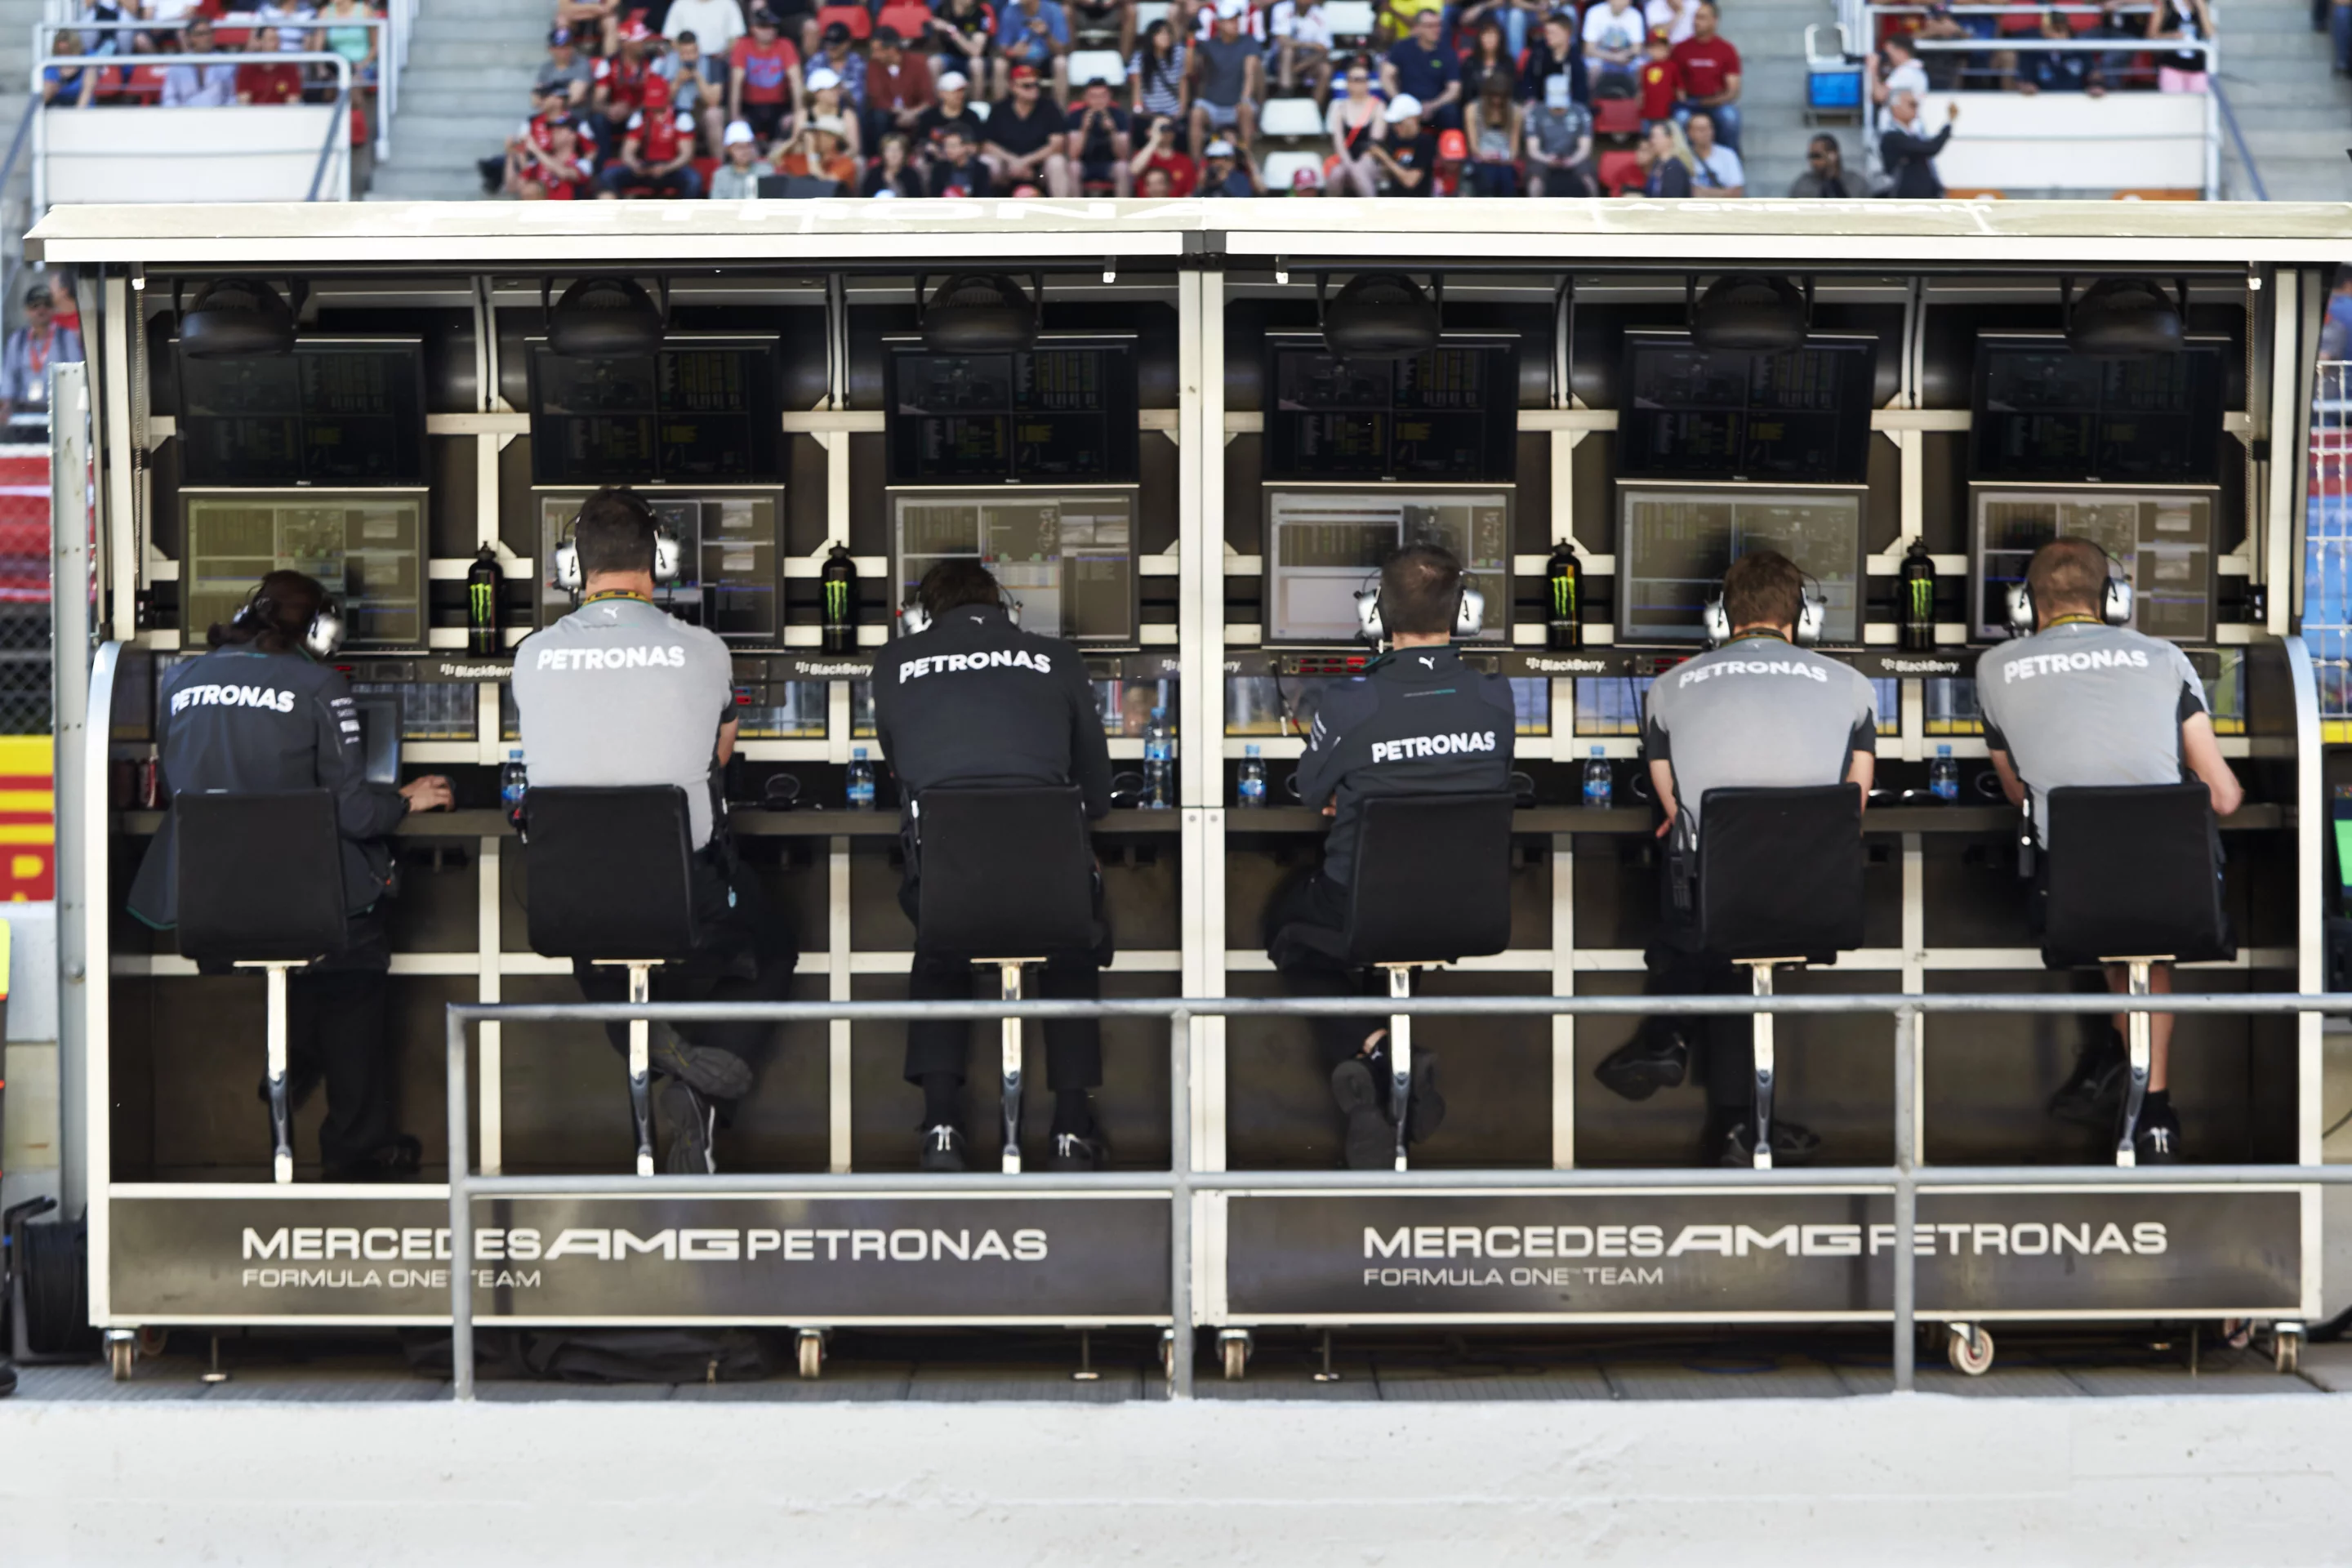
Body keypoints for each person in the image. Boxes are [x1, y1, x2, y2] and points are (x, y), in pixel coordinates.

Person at [127, 571, 455, 1182]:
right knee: (353, 958)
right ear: (318, 630)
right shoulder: (319, 685)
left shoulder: (180, 680)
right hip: (301, 906)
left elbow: (181, 789)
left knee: (310, 944)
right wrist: (405, 800)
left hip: (211, 905)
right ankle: (356, 1148)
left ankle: (298, 1046)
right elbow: (356, 814)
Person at [509, 489, 798, 1174]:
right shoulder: (703, 650)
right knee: (775, 944)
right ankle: (699, 1084)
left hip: (568, 896)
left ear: (576, 569)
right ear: (658, 563)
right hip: (681, 890)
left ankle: (649, 1038)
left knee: (597, 937)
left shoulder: (532, 654)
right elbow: (717, 755)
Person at [1600, 551, 1877, 1166]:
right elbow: (1852, 805)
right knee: (1733, 943)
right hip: (1816, 898)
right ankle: (1741, 1123)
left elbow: (1674, 807)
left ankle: (1670, 1036)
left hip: (1714, 895)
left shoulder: (1667, 686)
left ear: (1722, 618)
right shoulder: (1854, 687)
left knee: (1709, 923)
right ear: (1800, 618)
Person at [1974, 539, 2243, 1165]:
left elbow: (2020, 791)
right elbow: (2223, 795)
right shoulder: (2164, 657)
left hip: (2074, 885)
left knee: (2114, 929)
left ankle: (2121, 1073)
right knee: (2149, 943)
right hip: (2171, 886)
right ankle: (2155, 1113)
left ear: (2027, 605)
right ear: (2112, 601)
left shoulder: (1995, 668)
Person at [1264, 545, 1517, 1170]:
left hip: (1364, 906)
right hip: (1464, 910)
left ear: (1375, 616)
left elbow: (1314, 790)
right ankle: (1389, 1061)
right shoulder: (1498, 699)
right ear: (1462, 615)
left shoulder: (1349, 705)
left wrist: (1354, 789)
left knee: (1289, 931)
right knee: (1407, 914)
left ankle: (1374, 1051)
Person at [869, 559, 1116, 1174]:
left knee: (939, 940)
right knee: (1072, 944)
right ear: (1004, 606)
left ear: (926, 614)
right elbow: (1099, 791)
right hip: (1049, 882)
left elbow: (901, 767)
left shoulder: (895, 663)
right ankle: (1070, 1127)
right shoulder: (1057, 657)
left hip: (950, 881)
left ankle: (943, 1126)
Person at [599, 76, 705, 196]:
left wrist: (666, 168)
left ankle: (684, 212)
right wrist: (634, 165)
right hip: (644, 166)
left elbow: (686, 155)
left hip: (672, 168)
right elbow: (627, 151)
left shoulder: (681, 117)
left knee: (693, 180)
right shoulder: (640, 116)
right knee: (608, 176)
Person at [0, 284, 82, 434]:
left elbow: (76, 377)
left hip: (58, 415)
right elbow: (8, 377)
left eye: (46, 305)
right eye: (35, 306)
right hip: (22, 416)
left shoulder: (66, 338)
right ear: (27, 310)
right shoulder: (17, 340)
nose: (41, 310)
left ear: (53, 309)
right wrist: (6, 407)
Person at [986, 63, 1071, 193]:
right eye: (1027, 86)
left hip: (1039, 173)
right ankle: (984, 208)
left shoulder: (1049, 107)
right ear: (1013, 87)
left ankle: (1062, 209)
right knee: (987, 162)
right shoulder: (1000, 109)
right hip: (1007, 171)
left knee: (1057, 162)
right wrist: (1013, 161)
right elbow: (987, 145)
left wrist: (1026, 162)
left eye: (1036, 84)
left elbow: (1058, 144)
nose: (1033, 89)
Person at [1191, 2, 1263, 154]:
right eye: (1230, 20)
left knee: (1247, 109)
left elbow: (1249, 74)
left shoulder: (1249, 41)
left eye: (1237, 19)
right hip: (1212, 105)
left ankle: (1246, 161)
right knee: (1196, 113)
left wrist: (1244, 99)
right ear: (1219, 24)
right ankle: (1196, 167)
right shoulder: (1208, 45)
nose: (1236, 24)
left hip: (1237, 106)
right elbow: (1191, 70)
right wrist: (1190, 39)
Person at [1668, 0, 1740, 150]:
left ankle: (1729, 160)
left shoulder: (1727, 50)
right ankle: (1684, 165)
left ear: (1714, 21)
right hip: (1688, 103)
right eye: (1695, 17)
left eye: (1702, 18)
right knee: (1680, 119)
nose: (1696, 22)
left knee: (1730, 117)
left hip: (1716, 102)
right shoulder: (1680, 49)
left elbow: (1733, 91)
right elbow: (1671, 82)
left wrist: (1711, 101)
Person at [728, 7, 802, 143]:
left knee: (790, 129)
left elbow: (796, 82)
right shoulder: (743, 45)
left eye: (772, 26)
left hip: (779, 107)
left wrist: (797, 113)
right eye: (763, 26)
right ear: (753, 28)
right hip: (750, 107)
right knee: (741, 132)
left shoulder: (785, 45)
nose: (769, 31)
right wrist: (735, 117)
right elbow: (736, 83)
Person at [1383, 8, 1463, 127]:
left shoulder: (1448, 53)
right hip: (1406, 105)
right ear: (1418, 27)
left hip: (1435, 106)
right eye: (1430, 26)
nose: (1436, 30)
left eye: (1438, 25)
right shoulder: (1402, 47)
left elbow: (1454, 89)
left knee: (1450, 113)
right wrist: (1399, 100)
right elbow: (1386, 76)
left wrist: (1434, 105)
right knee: (1390, 111)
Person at [862, 26, 935, 152]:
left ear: (891, 50)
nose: (873, 55)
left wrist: (912, 113)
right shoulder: (873, 65)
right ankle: (878, 156)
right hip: (890, 115)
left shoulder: (917, 63)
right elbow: (876, 97)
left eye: (877, 51)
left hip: (914, 112)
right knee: (877, 117)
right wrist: (900, 112)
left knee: (929, 116)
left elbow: (928, 98)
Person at [659, 30, 731, 154]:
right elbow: (659, 101)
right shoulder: (667, 63)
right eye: (684, 53)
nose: (689, 57)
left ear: (698, 49)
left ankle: (718, 164)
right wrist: (677, 82)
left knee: (714, 115)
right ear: (677, 51)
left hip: (700, 112)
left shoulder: (711, 63)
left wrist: (698, 77)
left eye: (692, 52)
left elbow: (714, 101)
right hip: (675, 114)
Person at [1525, 71, 1593, 195]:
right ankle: (1534, 212)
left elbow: (1585, 148)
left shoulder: (1581, 112)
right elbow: (1533, 150)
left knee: (1588, 180)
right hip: (1543, 157)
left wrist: (1572, 160)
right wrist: (1546, 159)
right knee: (1535, 182)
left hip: (1574, 156)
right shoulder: (1535, 113)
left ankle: (1594, 212)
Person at [1325, 60, 1386, 197]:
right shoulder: (1339, 107)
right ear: (1348, 82)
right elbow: (1339, 142)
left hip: (1369, 159)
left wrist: (1353, 167)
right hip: (1346, 157)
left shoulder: (1378, 106)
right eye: (1356, 79)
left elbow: (1375, 142)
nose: (1360, 83)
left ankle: (1372, 213)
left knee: (1359, 170)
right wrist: (1348, 163)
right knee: (1336, 175)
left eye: (1364, 79)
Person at [1879, 90, 1953, 198]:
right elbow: (1931, 148)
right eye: (1911, 105)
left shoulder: (1914, 135)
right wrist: (1948, 125)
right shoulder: (1892, 137)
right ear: (1896, 108)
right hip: (1906, 200)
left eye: (1917, 105)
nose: (1916, 108)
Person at [1066, 76, 1133, 193]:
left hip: (1110, 164)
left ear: (1109, 96)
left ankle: (1123, 209)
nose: (1098, 100)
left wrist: (1112, 131)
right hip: (1085, 165)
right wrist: (1084, 129)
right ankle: (1075, 207)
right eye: (1093, 96)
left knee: (1123, 168)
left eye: (1102, 96)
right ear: (1085, 97)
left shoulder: (1119, 116)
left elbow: (1123, 156)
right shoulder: (1076, 116)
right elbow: (1073, 155)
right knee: (1073, 167)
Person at [995, 0, 1071, 97]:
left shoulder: (1054, 10)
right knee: (999, 64)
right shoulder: (1009, 11)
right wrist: (1012, 52)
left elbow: (1062, 50)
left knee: (1061, 62)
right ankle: (999, 109)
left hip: (1045, 62)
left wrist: (1046, 34)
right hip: (1018, 62)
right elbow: (1002, 47)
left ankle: (1061, 110)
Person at [1463, 74, 1521, 195]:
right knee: (1488, 176)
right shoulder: (1472, 109)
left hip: (1504, 160)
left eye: (1501, 97)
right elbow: (1473, 147)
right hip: (1481, 157)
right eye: (1493, 96)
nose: (1497, 101)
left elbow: (1514, 149)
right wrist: (1484, 156)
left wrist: (1503, 157)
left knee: (1505, 178)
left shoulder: (1515, 110)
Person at [161, 16, 239, 105]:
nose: (207, 38)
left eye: (209, 33)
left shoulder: (226, 63)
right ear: (190, 38)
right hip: (185, 115)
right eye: (201, 34)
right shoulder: (177, 65)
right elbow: (169, 98)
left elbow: (231, 97)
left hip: (218, 115)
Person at [1370, 92, 1438, 194]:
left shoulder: (1425, 142)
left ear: (1413, 119)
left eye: (1399, 123)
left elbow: (1410, 181)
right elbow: (1388, 173)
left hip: (1416, 203)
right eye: (1393, 124)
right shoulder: (1393, 139)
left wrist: (1384, 157)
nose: (1396, 128)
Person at [1129, 16, 1190, 127]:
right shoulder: (1139, 58)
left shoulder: (1179, 54)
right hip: (1149, 114)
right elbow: (1137, 89)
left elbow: (1183, 84)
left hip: (1174, 113)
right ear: (1151, 37)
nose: (1165, 37)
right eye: (1161, 33)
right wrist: (1139, 110)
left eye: (1168, 33)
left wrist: (1181, 113)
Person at [2147, 0, 2212, 91]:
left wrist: (2201, 8)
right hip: (2172, 65)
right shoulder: (2165, 4)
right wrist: (2172, 36)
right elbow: (2151, 35)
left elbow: (2210, 34)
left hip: (2197, 67)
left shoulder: (2200, 5)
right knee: (2173, 101)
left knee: (2198, 102)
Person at [1129, 113, 1200, 194]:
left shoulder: (1185, 161)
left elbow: (1189, 193)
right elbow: (1134, 171)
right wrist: (1154, 140)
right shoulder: (1142, 156)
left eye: (1169, 128)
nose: (1165, 131)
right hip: (1147, 205)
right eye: (1160, 128)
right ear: (1148, 132)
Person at [1581, 0, 1646, 85]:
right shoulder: (1594, 12)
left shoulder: (1635, 15)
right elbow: (1588, 49)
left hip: (1625, 57)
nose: (1621, 2)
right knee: (1593, 69)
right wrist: (1614, 58)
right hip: (1600, 56)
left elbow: (1637, 49)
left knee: (1641, 67)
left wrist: (1623, 57)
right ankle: (1593, 97)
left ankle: (1635, 97)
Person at [1786, 132, 1868, 197]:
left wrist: (1833, 178)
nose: (1813, 162)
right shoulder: (1803, 184)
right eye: (1810, 157)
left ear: (1833, 155)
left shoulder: (1855, 182)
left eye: (1817, 156)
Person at [1684, 107, 1742, 194]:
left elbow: (1736, 192)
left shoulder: (1728, 155)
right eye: (1700, 129)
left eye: (1709, 128)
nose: (1706, 133)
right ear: (1690, 133)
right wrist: (1723, 193)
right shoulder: (1684, 157)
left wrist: (1703, 193)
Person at [536, 24, 593, 109]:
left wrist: (549, 95)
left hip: (574, 118)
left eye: (568, 45)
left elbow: (575, 97)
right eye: (560, 47)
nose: (565, 50)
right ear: (551, 49)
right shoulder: (546, 68)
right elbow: (536, 100)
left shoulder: (582, 64)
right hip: (549, 117)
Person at [926, 123, 996, 194]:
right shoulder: (938, 169)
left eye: (953, 146)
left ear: (966, 146)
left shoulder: (981, 170)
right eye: (946, 146)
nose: (948, 150)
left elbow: (983, 197)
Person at [1634, 116, 1693, 195]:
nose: (1652, 141)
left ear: (1670, 138)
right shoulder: (1658, 164)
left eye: (1655, 137)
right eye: (1651, 137)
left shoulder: (1674, 167)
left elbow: (1672, 198)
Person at [863, 130, 925, 195]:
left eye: (898, 150)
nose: (894, 154)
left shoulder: (912, 175)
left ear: (905, 153)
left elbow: (917, 200)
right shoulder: (873, 175)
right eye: (889, 150)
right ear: (883, 153)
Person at [1197, 135, 1261, 194]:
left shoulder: (1239, 178)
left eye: (1219, 158)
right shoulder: (1207, 179)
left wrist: (1223, 182)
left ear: (1230, 160)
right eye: (1211, 159)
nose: (1215, 162)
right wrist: (1201, 185)